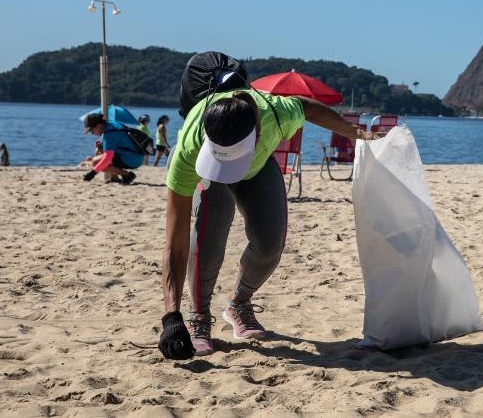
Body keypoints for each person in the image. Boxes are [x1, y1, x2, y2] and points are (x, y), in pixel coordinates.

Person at [157, 88, 385, 361]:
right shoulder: (189, 150)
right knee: (210, 233)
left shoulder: (277, 114)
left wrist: (360, 134)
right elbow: (176, 240)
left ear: (259, 132)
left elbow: (308, 107)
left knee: (269, 242)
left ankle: (238, 304)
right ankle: (199, 316)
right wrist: (171, 317)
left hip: (258, 163)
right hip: (207, 171)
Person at [83, 113, 142, 184]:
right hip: (137, 155)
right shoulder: (111, 124)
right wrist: (103, 147)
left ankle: (127, 175)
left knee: (96, 162)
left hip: (132, 159)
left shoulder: (109, 134)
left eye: (91, 131)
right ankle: (115, 178)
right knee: (104, 152)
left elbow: (107, 158)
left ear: (98, 125)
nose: (92, 133)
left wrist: (92, 173)